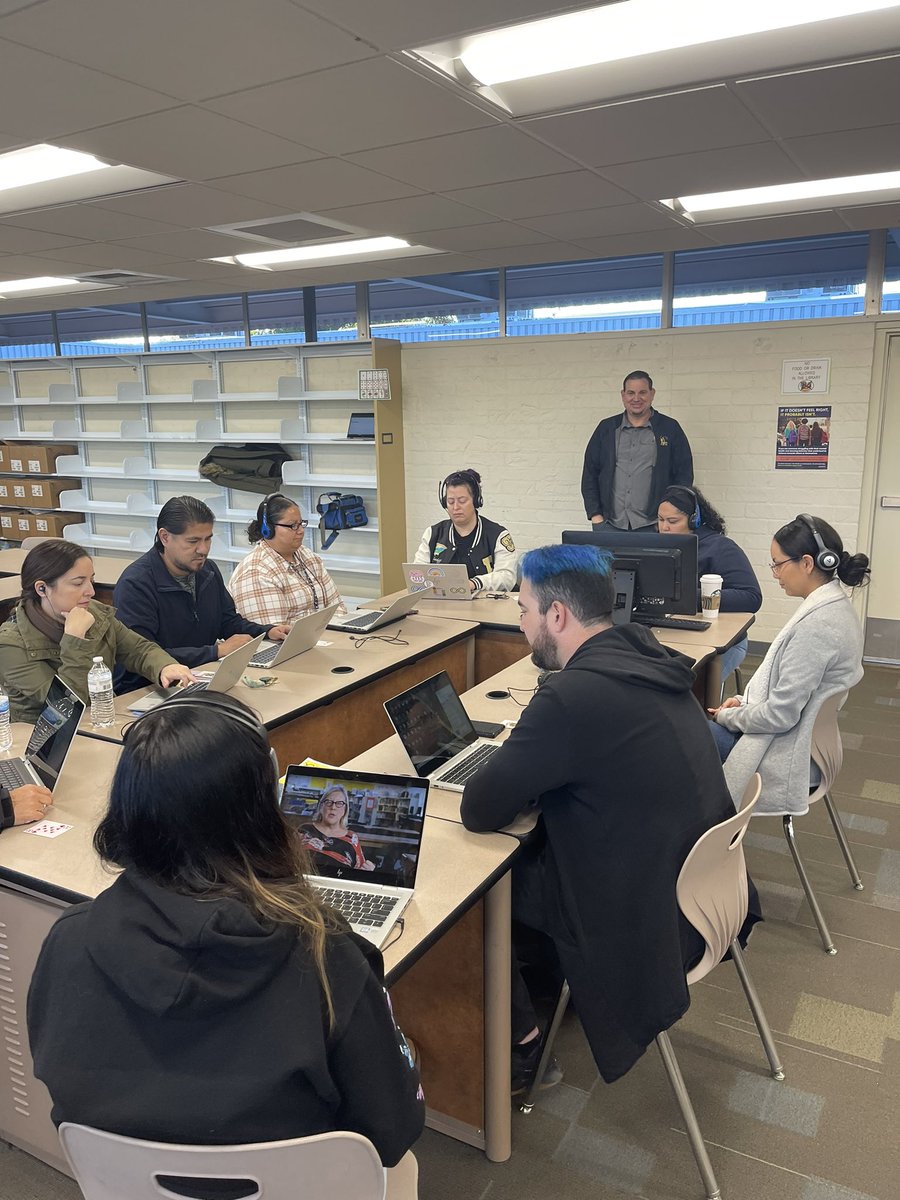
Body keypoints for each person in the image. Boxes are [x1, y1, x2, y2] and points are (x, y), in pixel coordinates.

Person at [26, 692, 424, 1176]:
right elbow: (392, 1131)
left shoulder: (67, 942)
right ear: (261, 809)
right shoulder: (327, 955)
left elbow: (61, 1088)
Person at [460, 544, 751, 1091]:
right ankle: (550, 986)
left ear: (558, 615)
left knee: (468, 891)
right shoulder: (648, 654)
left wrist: (526, 755)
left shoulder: (572, 697)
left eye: (523, 609)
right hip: (700, 894)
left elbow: (479, 809)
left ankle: (522, 1046)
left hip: (638, 917)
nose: (520, 625)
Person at [709, 515, 869, 817]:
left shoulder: (818, 626)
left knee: (680, 742)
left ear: (807, 563)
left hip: (787, 750)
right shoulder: (831, 606)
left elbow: (780, 715)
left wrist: (731, 716)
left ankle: (699, 840)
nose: (775, 574)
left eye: (778, 564)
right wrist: (744, 704)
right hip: (802, 739)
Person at [0, 541, 194, 723]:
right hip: (47, 740)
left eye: (91, 580)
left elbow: (138, 649)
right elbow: (69, 705)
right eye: (78, 583)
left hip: (99, 720)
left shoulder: (92, 611)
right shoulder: (11, 645)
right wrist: (75, 640)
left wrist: (165, 666)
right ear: (42, 589)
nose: (90, 591)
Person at [113, 495, 291, 692]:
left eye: (208, 539)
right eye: (193, 541)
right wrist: (217, 651)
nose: (203, 549)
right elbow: (144, 655)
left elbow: (227, 622)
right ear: (165, 537)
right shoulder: (135, 584)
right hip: (148, 689)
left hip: (199, 677)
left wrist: (266, 631)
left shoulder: (208, 571)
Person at [657, 484, 762, 684]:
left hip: (722, 643)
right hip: (673, 634)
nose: (664, 528)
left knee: (684, 689)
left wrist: (692, 597)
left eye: (673, 521)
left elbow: (751, 597)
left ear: (694, 520)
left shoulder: (720, 548)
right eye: (660, 520)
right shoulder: (657, 546)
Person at [581, 370, 693, 531]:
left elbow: (684, 476)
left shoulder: (670, 428)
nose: (636, 398)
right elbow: (590, 473)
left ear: (652, 394)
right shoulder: (606, 429)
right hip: (610, 525)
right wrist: (596, 516)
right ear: (623, 395)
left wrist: (668, 519)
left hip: (653, 526)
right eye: (631, 393)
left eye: (642, 392)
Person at [228, 493, 346, 624]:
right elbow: (274, 635)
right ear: (268, 529)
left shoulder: (306, 555)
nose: (301, 530)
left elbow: (338, 608)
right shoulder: (256, 574)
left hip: (324, 638)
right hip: (292, 643)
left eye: (301, 524)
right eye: (293, 526)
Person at [414, 468, 517, 592]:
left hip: (487, 606)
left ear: (476, 500)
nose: (456, 507)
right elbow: (418, 573)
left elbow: (507, 577)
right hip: (442, 605)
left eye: (462, 501)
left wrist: (474, 583)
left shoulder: (498, 535)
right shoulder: (432, 534)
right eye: (450, 502)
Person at [298, 784, 375, 871]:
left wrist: (368, 871)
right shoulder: (304, 830)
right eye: (328, 802)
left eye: (339, 803)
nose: (333, 807)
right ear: (321, 807)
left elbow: (358, 872)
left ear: (345, 810)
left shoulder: (352, 838)